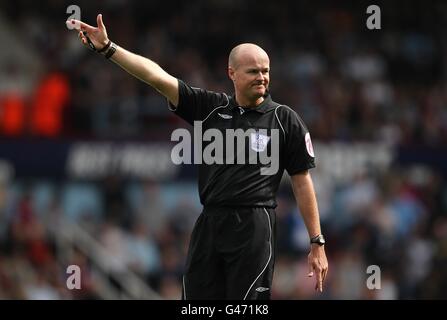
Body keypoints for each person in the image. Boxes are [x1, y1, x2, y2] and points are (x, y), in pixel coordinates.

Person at [68, 14, 328, 300]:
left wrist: (317, 241)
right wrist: (108, 48)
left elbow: (302, 181)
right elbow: (157, 77)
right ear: (232, 73)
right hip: (210, 223)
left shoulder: (284, 119)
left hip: (255, 225)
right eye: (253, 71)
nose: (262, 77)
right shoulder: (210, 108)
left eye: (265, 71)